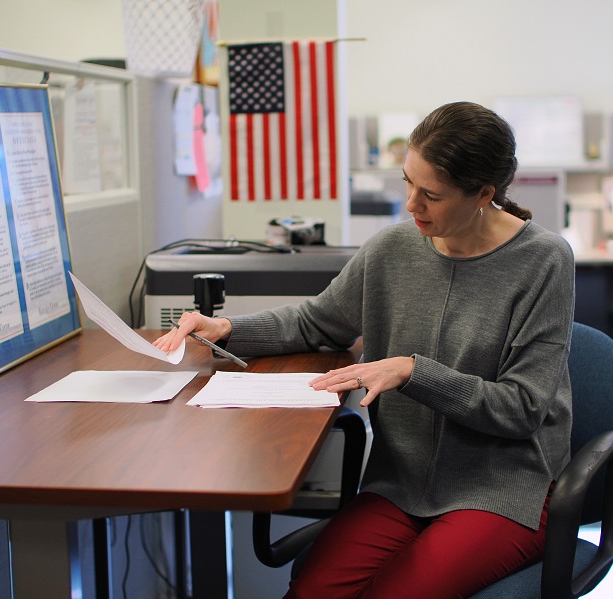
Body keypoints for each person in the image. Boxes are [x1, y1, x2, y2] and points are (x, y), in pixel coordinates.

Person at [153, 101, 575, 599]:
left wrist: (413, 372)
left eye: (431, 195)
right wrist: (225, 328)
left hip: (502, 487)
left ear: (484, 194)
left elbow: (523, 408)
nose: (411, 205)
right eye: (408, 183)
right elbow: (316, 323)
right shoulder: (392, 249)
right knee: (312, 592)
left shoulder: (543, 261)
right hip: (401, 481)